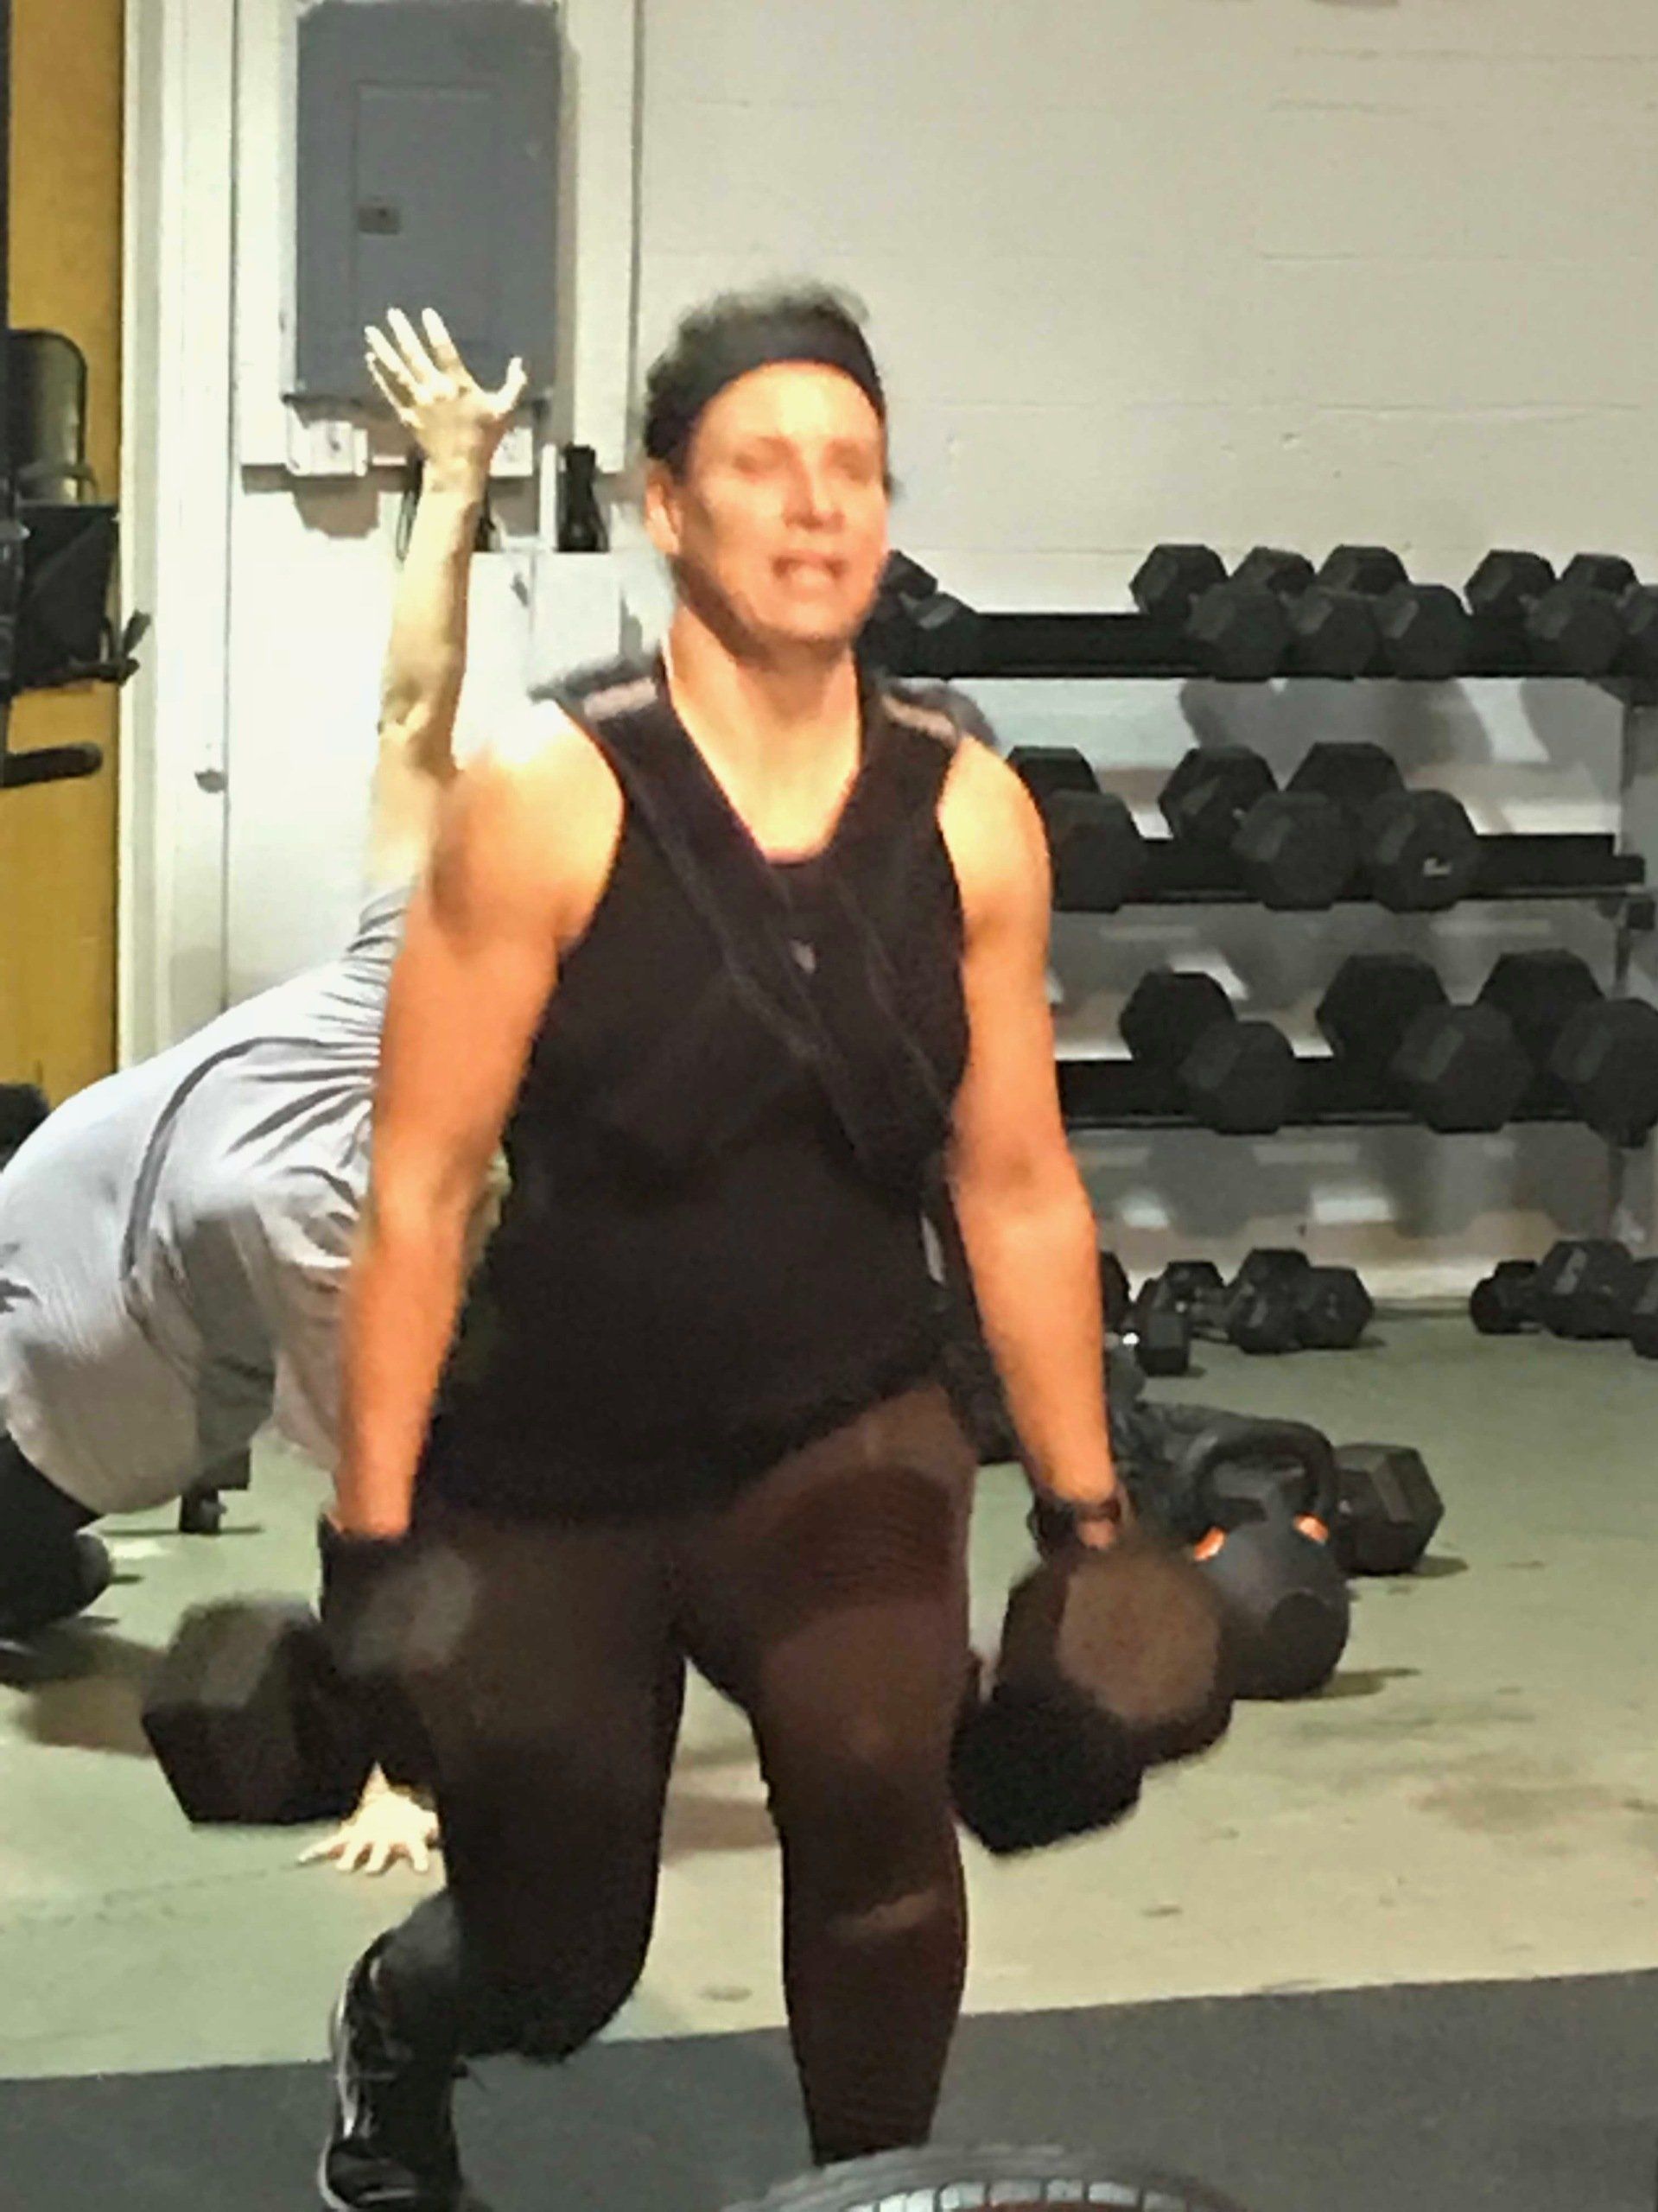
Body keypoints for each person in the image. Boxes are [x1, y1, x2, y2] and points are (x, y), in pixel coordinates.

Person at [315, 283, 1126, 2211]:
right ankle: (401, 2027)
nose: (817, 504)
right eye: (766, 464)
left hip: (838, 1423)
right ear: (667, 506)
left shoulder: (972, 816)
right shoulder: (543, 800)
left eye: (853, 468)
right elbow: (419, 1180)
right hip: (556, 1468)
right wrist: (368, 1535)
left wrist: (1094, 1519)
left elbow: (1015, 1180)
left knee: (878, 1781)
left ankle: (877, 2192)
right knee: (558, 1950)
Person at [0, 309, 521, 1872]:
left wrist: (402, 1779)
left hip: (25, 1446)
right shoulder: (408, 968)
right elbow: (414, 713)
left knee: (39, 1582)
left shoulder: (333, 1217)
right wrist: (454, 480)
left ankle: (43, 1581)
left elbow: (375, 1516)